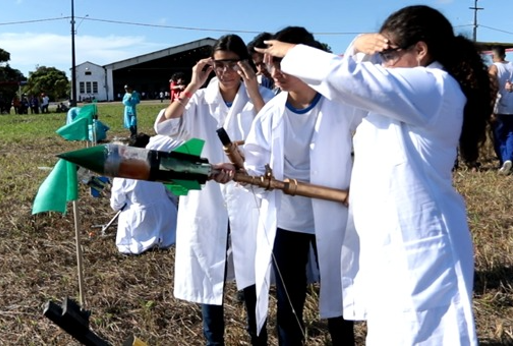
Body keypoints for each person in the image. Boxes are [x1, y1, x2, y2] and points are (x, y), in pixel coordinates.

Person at [256, 5, 494, 346]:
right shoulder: (402, 99)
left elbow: (354, 81)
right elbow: (352, 90)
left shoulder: (433, 85)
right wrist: (358, 51)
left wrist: (292, 52)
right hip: (392, 246)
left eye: (389, 55)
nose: (383, 65)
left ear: (421, 51)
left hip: (421, 247)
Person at [214, 26, 361, 346]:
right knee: (288, 305)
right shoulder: (272, 114)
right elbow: (254, 163)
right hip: (289, 220)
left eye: (282, 62)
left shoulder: (341, 106)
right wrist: (236, 168)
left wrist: (357, 45)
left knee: (339, 304)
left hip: (334, 214)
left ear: (309, 61)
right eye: (270, 64)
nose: (274, 72)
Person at [154, 34, 274, 346]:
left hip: (249, 195)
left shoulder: (260, 95)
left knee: (252, 273)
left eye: (233, 64)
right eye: (219, 65)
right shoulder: (199, 101)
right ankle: (213, 341)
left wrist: (252, 91)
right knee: (211, 272)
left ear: (245, 65)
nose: (226, 71)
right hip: (207, 195)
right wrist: (192, 85)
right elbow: (165, 127)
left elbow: (276, 134)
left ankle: (257, 336)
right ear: (210, 66)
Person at [110, 133, 178, 255]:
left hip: (141, 219)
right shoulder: (161, 166)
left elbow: (116, 204)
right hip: (167, 214)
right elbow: (172, 194)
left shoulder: (123, 172)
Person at [489, 46, 513, 173]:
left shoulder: (494, 68)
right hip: (512, 106)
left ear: (493, 56)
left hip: (499, 106)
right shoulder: (512, 65)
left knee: (499, 137)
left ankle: (504, 161)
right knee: (510, 133)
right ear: (505, 54)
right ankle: (509, 159)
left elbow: (492, 87)